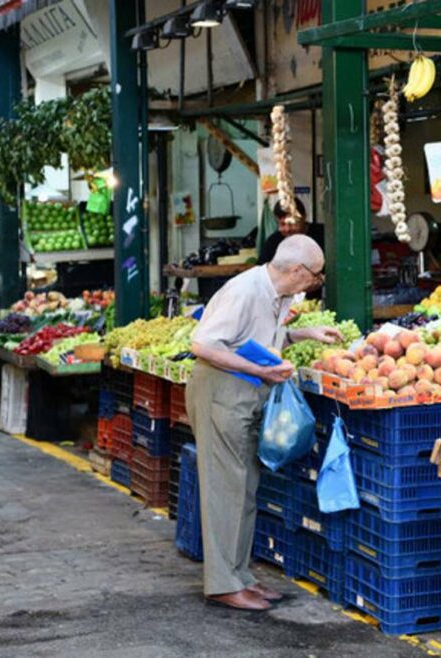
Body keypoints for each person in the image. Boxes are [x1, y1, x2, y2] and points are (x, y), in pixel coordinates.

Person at [186, 235, 341, 611]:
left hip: (247, 391)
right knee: (225, 488)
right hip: (221, 392)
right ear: (297, 271)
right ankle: (222, 584)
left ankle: (239, 576)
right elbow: (203, 344)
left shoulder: (278, 294)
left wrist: (305, 334)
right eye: (316, 276)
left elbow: (253, 338)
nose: (316, 282)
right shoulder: (243, 291)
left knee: (245, 486)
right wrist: (259, 370)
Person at [256, 198, 324, 266]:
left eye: (292, 223)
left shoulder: (323, 235)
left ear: (304, 217)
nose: (287, 229)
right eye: (282, 224)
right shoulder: (273, 242)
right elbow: (261, 270)